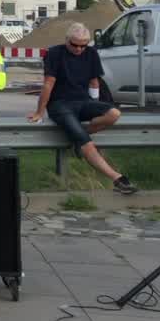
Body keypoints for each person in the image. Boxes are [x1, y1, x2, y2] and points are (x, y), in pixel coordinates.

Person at [28, 22, 138, 194]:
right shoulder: (54, 53)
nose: (79, 49)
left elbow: (94, 82)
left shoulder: (91, 53)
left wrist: (94, 104)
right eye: (75, 45)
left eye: (83, 46)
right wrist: (39, 112)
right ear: (66, 40)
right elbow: (48, 84)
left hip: (84, 101)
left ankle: (79, 138)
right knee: (86, 141)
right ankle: (118, 179)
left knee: (114, 113)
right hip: (60, 105)